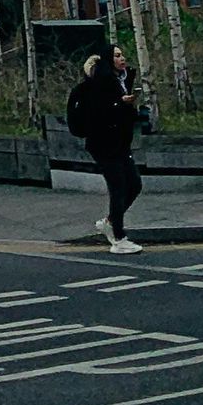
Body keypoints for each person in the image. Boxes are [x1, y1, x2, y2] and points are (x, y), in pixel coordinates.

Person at [70, 45, 143, 253]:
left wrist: (130, 107)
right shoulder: (97, 85)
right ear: (107, 60)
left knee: (134, 185)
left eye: (122, 54)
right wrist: (120, 104)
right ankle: (119, 239)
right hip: (103, 145)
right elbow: (99, 114)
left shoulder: (121, 81)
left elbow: (122, 115)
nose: (123, 58)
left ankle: (110, 222)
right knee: (118, 188)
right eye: (117, 55)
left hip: (120, 143)